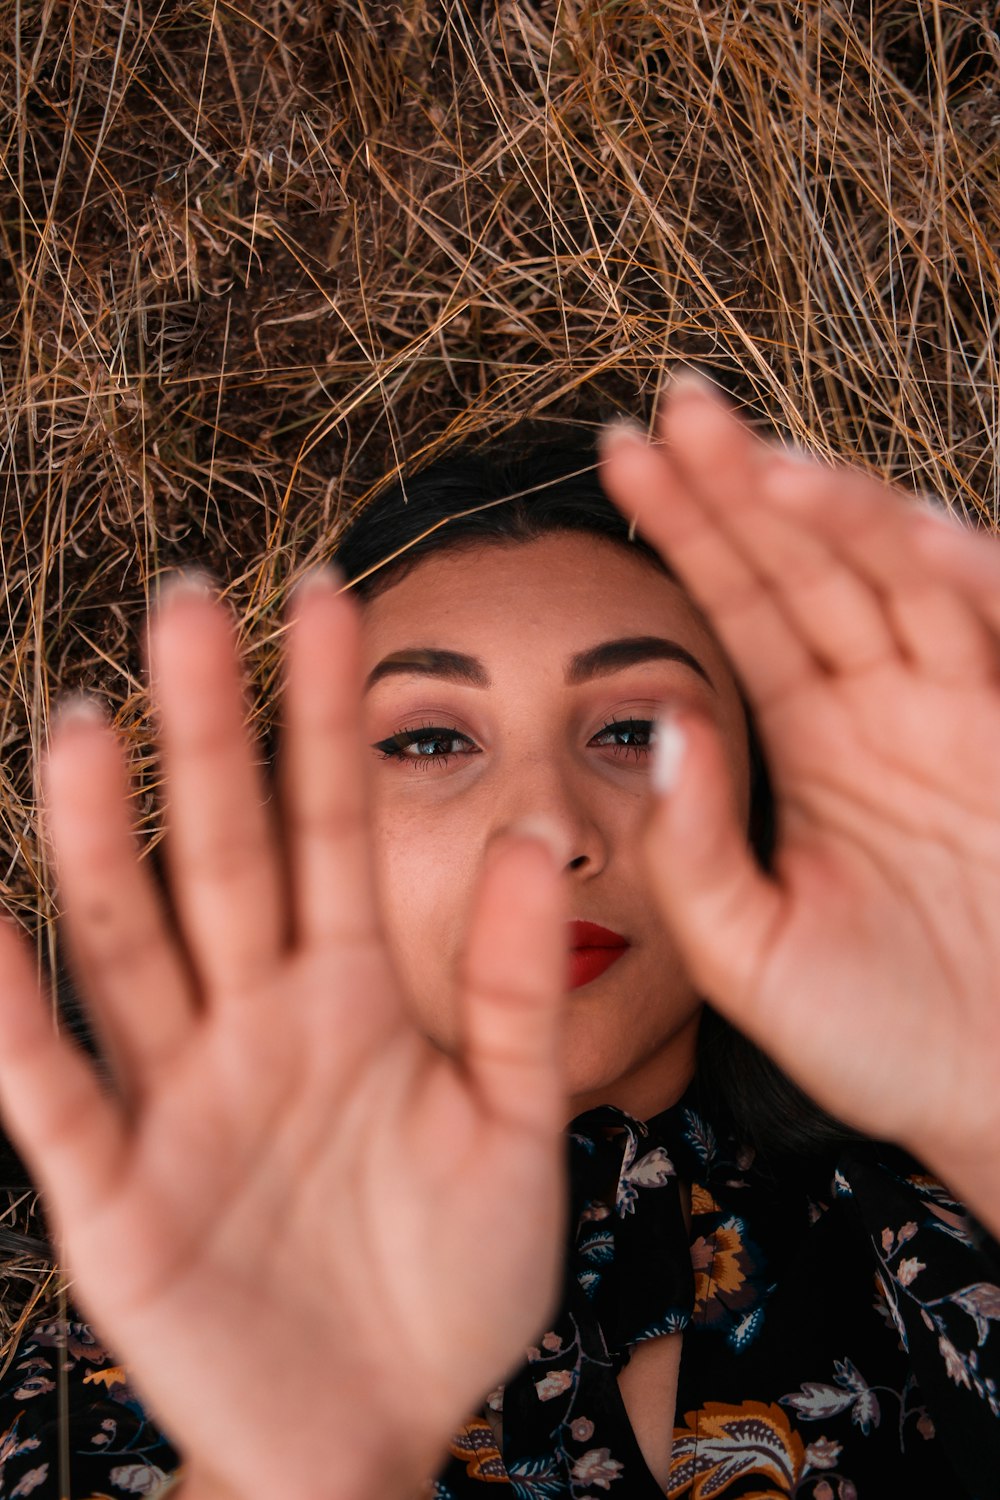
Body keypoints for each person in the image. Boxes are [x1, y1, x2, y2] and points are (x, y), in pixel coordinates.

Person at [0, 375, 998, 1499]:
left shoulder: (948, 1226)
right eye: (429, 742)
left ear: (758, 807)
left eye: (633, 730)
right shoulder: (147, 1356)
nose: (546, 832)